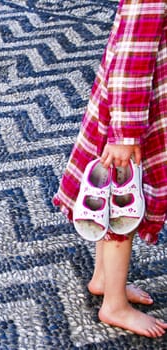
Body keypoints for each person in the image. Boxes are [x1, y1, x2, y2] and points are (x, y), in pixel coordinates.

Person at [53, 0, 167, 338]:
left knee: (109, 199)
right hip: (134, 121)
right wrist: (125, 132)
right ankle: (114, 305)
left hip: (130, 114)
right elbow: (132, 55)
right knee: (123, 205)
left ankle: (104, 279)